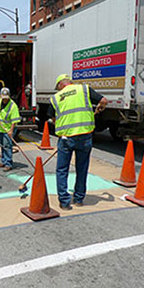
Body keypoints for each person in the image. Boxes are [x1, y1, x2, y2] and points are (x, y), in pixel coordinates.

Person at [48, 74, 107, 210]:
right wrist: (98, 109)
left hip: (66, 138)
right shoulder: (84, 89)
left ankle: (64, 202)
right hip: (85, 137)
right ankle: (79, 199)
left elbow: (52, 117)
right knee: (82, 168)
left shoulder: (56, 98)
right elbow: (103, 101)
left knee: (62, 170)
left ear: (60, 85)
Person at [0, 87, 21, 172]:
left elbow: (15, 120)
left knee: (7, 146)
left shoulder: (13, 106)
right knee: (2, 145)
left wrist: (11, 131)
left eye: (6, 98)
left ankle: (8, 164)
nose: (5, 100)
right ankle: (3, 161)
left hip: (8, 129)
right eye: (3, 98)